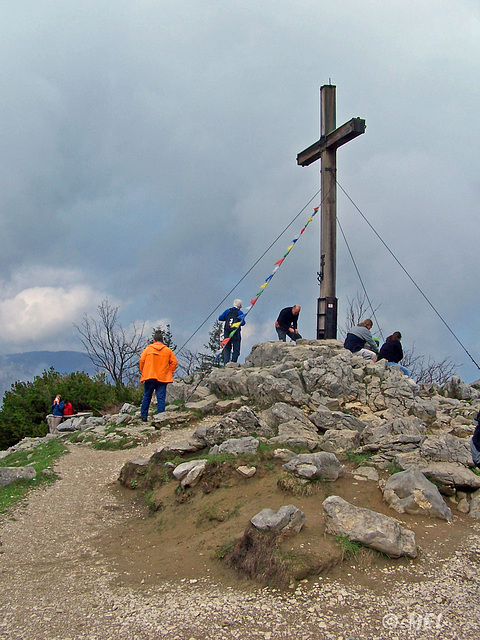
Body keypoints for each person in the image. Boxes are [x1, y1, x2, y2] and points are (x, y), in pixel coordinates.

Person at [139, 330, 177, 421]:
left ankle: (144, 415)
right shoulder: (167, 350)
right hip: (162, 377)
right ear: (163, 341)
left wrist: (143, 371)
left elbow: (141, 361)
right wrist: (169, 372)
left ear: (154, 341)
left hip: (149, 376)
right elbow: (174, 362)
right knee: (161, 398)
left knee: (147, 396)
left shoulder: (148, 349)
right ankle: (160, 417)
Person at [218, 299, 246, 364]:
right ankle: (233, 363)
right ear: (239, 305)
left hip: (227, 332)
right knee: (236, 349)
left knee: (227, 348)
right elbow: (243, 323)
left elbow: (220, 318)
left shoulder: (227, 311)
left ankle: (226, 363)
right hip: (236, 332)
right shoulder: (240, 313)